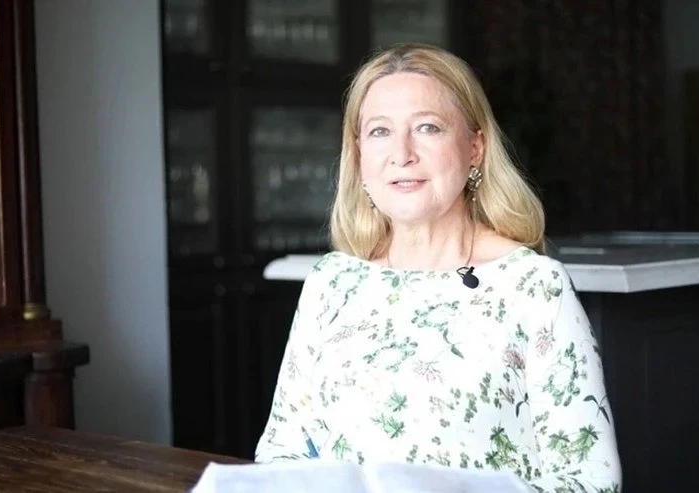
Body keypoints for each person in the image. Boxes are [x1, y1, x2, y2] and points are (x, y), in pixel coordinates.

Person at [255, 42, 622, 492]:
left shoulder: (534, 286)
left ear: (475, 147)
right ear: (359, 154)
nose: (402, 153)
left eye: (427, 128)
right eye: (380, 131)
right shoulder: (331, 282)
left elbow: (590, 483)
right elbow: (283, 451)